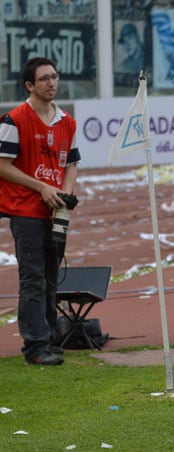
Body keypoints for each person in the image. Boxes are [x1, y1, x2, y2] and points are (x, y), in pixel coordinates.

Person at [0, 57, 80, 366]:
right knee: (32, 278)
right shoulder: (13, 120)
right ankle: (35, 346)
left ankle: (49, 339)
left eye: (54, 77)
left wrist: (67, 191)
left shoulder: (67, 122)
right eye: (44, 78)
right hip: (25, 210)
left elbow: (71, 163)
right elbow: (3, 166)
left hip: (55, 211)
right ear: (29, 85)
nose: (51, 83)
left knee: (50, 276)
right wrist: (42, 188)